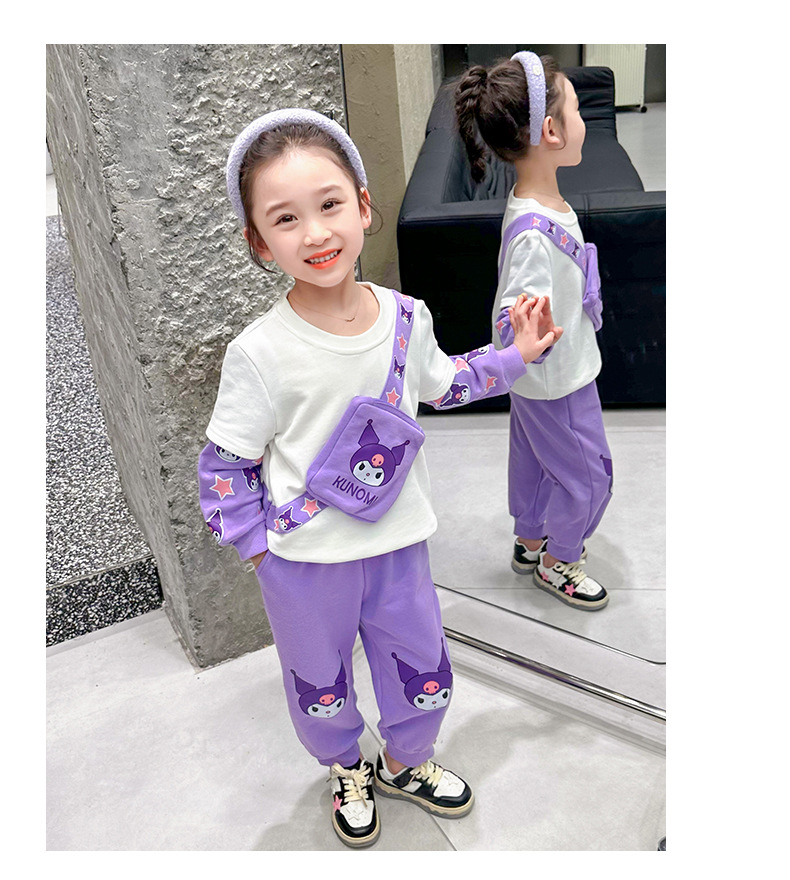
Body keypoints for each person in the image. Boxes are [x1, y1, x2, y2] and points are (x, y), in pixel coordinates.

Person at [198, 108, 561, 848]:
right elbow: (225, 468)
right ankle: (345, 767)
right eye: (286, 219)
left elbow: (444, 383)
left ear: (363, 205)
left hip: (399, 550)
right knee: (319, 685)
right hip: (303, 565)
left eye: (330, 204)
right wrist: (261, 554)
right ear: (259, 242)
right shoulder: (259, 353)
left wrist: (515, 357)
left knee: (424, 671)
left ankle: (405, 762)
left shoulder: (406, 318)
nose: (316, 233)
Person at [455, 51, 613, 611]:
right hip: (558, 381)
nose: (584, 119)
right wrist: (523, 338)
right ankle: (558, 559)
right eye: (577, 109)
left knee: (536, 462)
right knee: (589, 476)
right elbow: (510, 319)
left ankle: (530, 540)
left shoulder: (536, 201)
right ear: (550, 130)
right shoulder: (532, 234)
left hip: (539, 381)